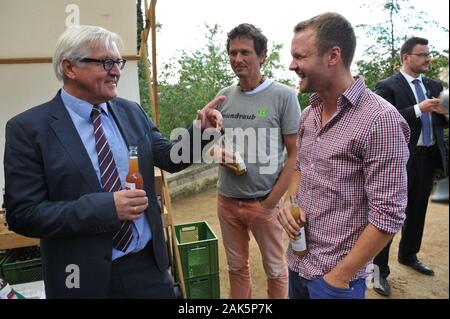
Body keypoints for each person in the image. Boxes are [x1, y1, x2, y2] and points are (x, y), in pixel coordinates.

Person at [3, 25, 224, 298]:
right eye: (106, 62)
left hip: (147, 268)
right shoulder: (28, 129)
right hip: (80, 278)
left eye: (118, 62)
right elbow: (23, 215)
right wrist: (107, 208)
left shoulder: (131, 112)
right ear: (70, 68)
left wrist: (200, 134)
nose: (117, 71)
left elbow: (168, 157)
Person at [277, 12, 410, 299]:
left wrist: (338, 277)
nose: (291, 65)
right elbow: (299, 166)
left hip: (335, 281)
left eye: (299, 56)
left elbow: (388, 215)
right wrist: (289, 202)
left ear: (333, 55)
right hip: (298, 264)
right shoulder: (307, 116)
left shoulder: (380, 120)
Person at [214, 23, 301, 299]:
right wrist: (217, 153)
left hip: (264, 202)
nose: (237, 59)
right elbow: (206, 145)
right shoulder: (223, 97)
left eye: (245, 52)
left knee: (276, 270)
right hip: (226, 200)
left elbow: (295, 153)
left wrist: (271, 202)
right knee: (236, 267)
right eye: (232, 53)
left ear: (262, 55)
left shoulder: (284, 96)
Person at [372, 37, 448, 296]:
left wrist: (444, 113)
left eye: (429, 53)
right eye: (423, 54)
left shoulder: (434, 85)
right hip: (400, 159)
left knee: (417, 210)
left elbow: (442, 123)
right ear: (406, 57)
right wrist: (419, 108)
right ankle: (378, 271)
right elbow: (381, 120)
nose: (428, 58)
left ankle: (409, 255)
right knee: (389, 215)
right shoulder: (387, 86)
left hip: (428, 158)